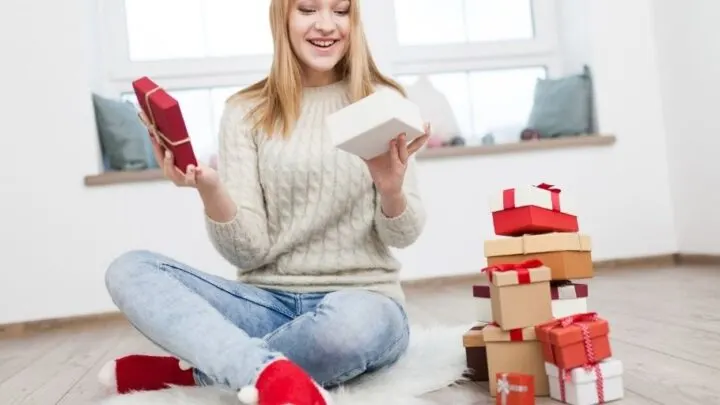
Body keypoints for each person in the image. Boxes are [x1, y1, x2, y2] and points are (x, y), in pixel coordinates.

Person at [99, 0, 429, 404]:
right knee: (129, 270)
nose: (326, 25)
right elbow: (249, 250)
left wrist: (391, 189)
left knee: (347, 331)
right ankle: (265, 373)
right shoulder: (244, 111)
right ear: (283, 18)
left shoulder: (383, 99)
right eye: (308, 9)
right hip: (264, 303)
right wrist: (210, 190)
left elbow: (404, 235)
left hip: (362, 300)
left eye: (340, 10)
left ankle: (208, 371)